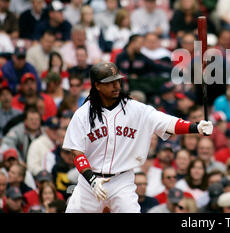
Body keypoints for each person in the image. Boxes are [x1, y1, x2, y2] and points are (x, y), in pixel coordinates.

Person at [62, 62, 213, 213]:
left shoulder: (136, 109)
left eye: (118, 80)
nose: (116, 86)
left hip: (121, 180)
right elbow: (76, 152)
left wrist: (196, 127)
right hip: (89, 182)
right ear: (97, 86)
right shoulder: (83, 114)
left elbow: (168, 123)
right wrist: (92, 180)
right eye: (110, 82)